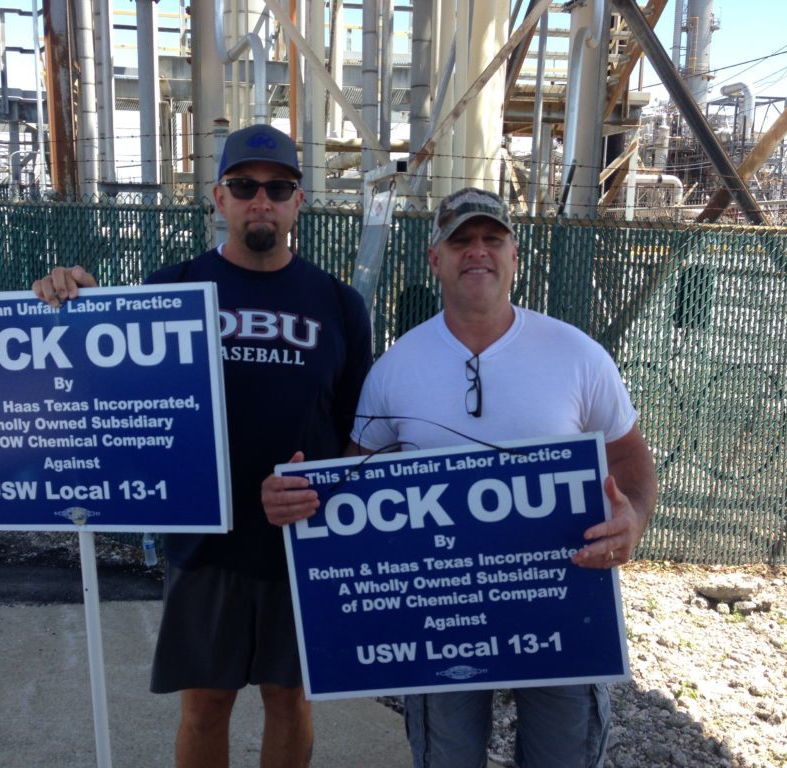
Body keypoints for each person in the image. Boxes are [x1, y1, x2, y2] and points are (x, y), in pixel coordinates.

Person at [262, 187, 657, 768]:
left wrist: (634, 519)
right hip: (440, 618)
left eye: (492, 240)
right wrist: (294, 497)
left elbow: (630, 459)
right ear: (435, 260)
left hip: (561, 607)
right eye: (461, 241)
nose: (478, 252)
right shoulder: (397, 368)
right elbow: (351, 485)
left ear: (514, 257)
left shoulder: (577, 355)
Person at [33, 123, 373, 768]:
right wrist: (68, 304)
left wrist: (322, 496)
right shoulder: (172, 288)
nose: (261, 199)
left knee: (289, 698)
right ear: (219, 198)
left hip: (301, 540)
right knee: (205, 704)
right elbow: (112, 387)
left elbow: (358, 438)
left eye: (278, 187)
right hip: (203, 539)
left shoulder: (339, 304)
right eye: (244, 185)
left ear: (300, 201)